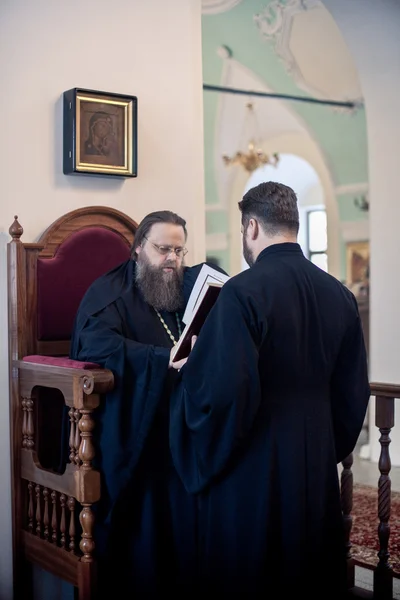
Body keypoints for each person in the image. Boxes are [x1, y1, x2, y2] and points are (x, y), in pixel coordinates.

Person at [169, 182, 370, 598]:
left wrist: (191, 372)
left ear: (252, 227)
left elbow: (224, 394)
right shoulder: (341, 295)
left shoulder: (241, 293)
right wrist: (321, 445)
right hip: (315, 468)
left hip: (251, 471)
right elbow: (354, 394)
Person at [69, 210, 226, 597]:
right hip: (133, 428)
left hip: (183, 425)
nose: (172, 258)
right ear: (138, 249)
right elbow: (95, 345)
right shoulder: (110, 295)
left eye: (179, 250)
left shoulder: (183, 291)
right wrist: (159, 361)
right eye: (162, 249)